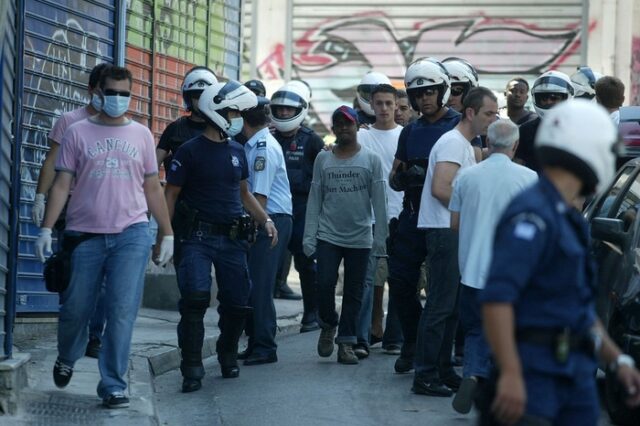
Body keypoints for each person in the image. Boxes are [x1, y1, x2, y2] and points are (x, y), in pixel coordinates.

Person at [478, 99, 640, 425]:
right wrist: (510, 372)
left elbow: (581, 311)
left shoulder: (571, 219)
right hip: (532, 375)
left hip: (575, 375)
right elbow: (497, 299)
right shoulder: (532, 214)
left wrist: (617, 360)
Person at [34, 66, 174, 408]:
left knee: (122, 310)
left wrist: (166, 231)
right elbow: (63, 183)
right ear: (98, 93)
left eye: (124, 93)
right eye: (112, 92)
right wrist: (47, 228)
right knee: (75, 310)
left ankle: (113, 383)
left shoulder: (141, 134)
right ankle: (67, 354)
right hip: (85, 236)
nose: (118, 99)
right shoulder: (77, 132)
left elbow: (152, 186)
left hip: (132, 234)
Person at [164, 80, 277, 393]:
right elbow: (170, 195)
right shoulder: (188, 152)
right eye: (232, 111)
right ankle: (192, 367)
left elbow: (244, 194)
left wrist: (265, 219)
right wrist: (164, 235)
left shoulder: (237, 151)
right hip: (196, 238)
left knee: (238, 302)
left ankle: (227, 354)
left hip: (232, 240)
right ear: (216, 111)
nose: (238, 117)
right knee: (195, 300)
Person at [448, 119, 537, 414]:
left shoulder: (466, 177)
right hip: (514, 275)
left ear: (487, 143)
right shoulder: (530, 179)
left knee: (476, 330)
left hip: (472, 272)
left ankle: (473, 373)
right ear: (515, 145)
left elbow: (455, 225)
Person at [413, 87, 497, 397]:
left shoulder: (465, 144)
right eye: (489, 113)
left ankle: (443, 369)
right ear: (471, 113)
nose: (494, 118)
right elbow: (440, 188)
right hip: (443, 231)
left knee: (451, 308)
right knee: (439, 306)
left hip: (455, 232)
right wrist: (475, 211)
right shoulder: (452, 143)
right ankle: (424, 374)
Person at [31, 62, 111, 359]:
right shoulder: (69, 121)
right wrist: (41, 197)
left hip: (104, 213)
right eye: (106, 90)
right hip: (71, 212)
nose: (112, 96)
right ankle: (72, 335)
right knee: (70, 278)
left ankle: (94, 336)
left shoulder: (120, 127)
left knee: (102, 283)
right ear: (92, 90)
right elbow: (52, 161)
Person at [387, 57, 460, 375]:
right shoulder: (410, 131)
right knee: (400, 282)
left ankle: (439, 357)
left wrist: (431, 173)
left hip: (446, 220)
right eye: (418, 94)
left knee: (443, 292)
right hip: (413, 215)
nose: (424, 99)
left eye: (430, 92)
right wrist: (403, 178)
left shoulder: (459, 125)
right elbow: (394, 174)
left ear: (442, 91)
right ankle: (413, 342)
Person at [303, 105, 388, 365]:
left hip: (361, 236)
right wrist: (309, 235)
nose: (343, 128)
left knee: (354, 291)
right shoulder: (323, 159)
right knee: (325, 284)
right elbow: (315, 198)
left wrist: (380, 240)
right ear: (333, 129)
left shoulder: (371, 160)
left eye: (348, 124)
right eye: (338, 124)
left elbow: (380, 202)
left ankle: (347, 343)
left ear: (357, 126)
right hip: (329, 234)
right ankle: (329, 324)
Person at [240, 96, 293, 366]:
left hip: (269, 219)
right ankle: (256, 342)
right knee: (253, 284)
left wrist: (253, 225)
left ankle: (264, 345)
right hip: (267, 218)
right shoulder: (253, 144)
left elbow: (258, 197)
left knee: (260, 285)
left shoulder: (262, 147)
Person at [354, 84, 404, 359]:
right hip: (369, 218)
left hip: (399, 217)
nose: (384, 108)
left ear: (396, 105)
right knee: (365, 281)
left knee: (399, 280)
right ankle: (361, 338)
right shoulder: (362, 137)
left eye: (389, 103)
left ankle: (394, 338)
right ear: (371, 105)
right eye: (379, 103)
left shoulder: (406, 135)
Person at [270, 81, 325, 327]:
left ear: (299, 111)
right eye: (279, 109)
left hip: (303, 209)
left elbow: (324, 175)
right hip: (274, 209)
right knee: (268, 263)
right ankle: (262, 318)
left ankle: (312, 314)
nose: (283, 113)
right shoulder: (267, 138)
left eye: (288, 110)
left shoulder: (312, 140)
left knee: (306, 262)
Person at [156, 66, 217, 171]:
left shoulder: (221, 130)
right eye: (197, 96)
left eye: (206, 95)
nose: (202, 100)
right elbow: (152, 167)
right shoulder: (175, 129)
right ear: (188, 98)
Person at [515, 70, 574, 172]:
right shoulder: (525, 130)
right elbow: (517, 166)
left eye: (554, 98)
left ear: (567, 97)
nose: (548, 102)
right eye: (543, 98)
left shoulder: (578, 129)